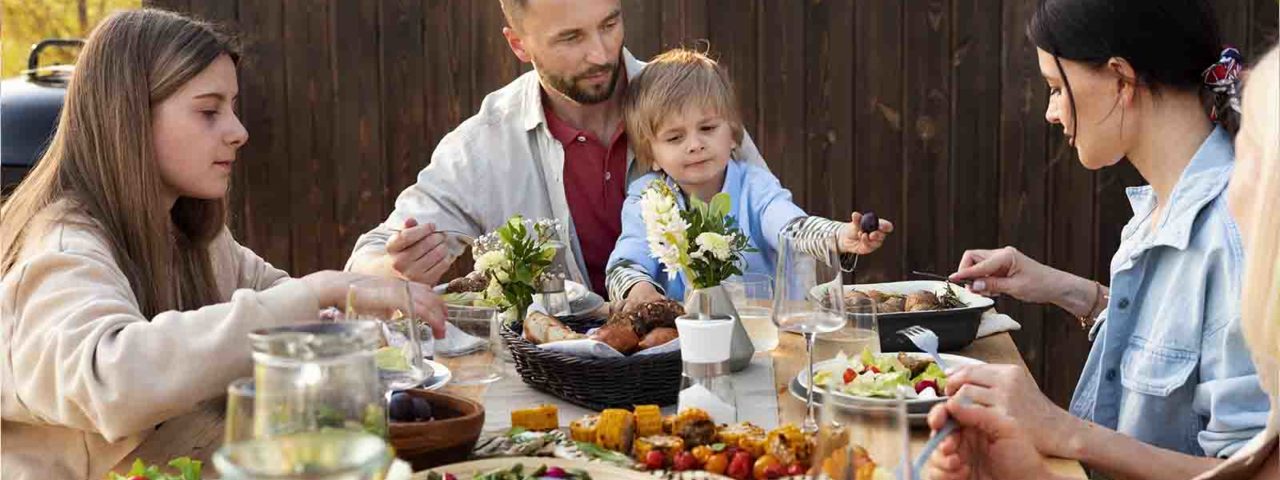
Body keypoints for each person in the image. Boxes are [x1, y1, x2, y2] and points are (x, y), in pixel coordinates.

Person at [0, 10, 446, 480]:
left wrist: (369, 289)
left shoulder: (187, 232)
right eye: (209, 110)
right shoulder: (64, 245)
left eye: (232, 107)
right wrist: (315, 293)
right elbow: (110, 381)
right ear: (128, 116)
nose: (238, 131)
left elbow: (284, 303)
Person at [932, 0, 1270, 478]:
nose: (1051, 112)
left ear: (1120, 79)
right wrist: (1069, 291)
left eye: (1055, 87)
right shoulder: (1156, 209)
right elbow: (1182, 343)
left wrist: (1061, 428)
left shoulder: (1236, 238)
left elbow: (1256, 471)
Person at [343, 0, 772, 298]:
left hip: (708, 359)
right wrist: (397, 268)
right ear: (518, 44)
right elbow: (362, 268)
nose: (601, 54)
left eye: (609, 24)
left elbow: (782, 240)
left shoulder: (695, 106)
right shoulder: (485, 144)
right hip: (557, 385)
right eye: (570, 38)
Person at [605, 49, 893, 307]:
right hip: (687, 343)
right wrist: (638, 291)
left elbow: (791, 228)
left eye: (707, 128)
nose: (694, 144)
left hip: (766, 339)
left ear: (732, 134)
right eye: (675, 137)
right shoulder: (648, 198)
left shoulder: (754, 187)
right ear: (651, 153)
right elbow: (625, 264)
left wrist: (839, 236)